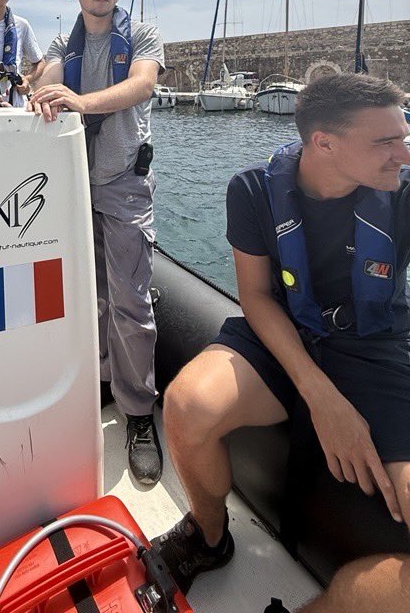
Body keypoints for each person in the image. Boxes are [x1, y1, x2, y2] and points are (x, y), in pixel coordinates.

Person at [153, 73, 410, 595]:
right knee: (186, 405)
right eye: (386, 142)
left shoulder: (402, 196)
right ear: (324, 143)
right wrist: (322, 397)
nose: (402, 154)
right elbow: (256, 297)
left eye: (403, 137)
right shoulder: (253, 191)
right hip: (283, 329)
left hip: (373, 343)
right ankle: (208, 536)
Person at [29, 0, 165, 486]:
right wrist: (42, 85)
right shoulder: (67, 42)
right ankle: (100, 382)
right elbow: (51, 74)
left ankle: (137, 416)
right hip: (73, 188)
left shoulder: (144, 36)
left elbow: (142, 84)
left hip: (125, 187)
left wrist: (79, 103)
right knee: (89, 296)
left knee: (131, 302)